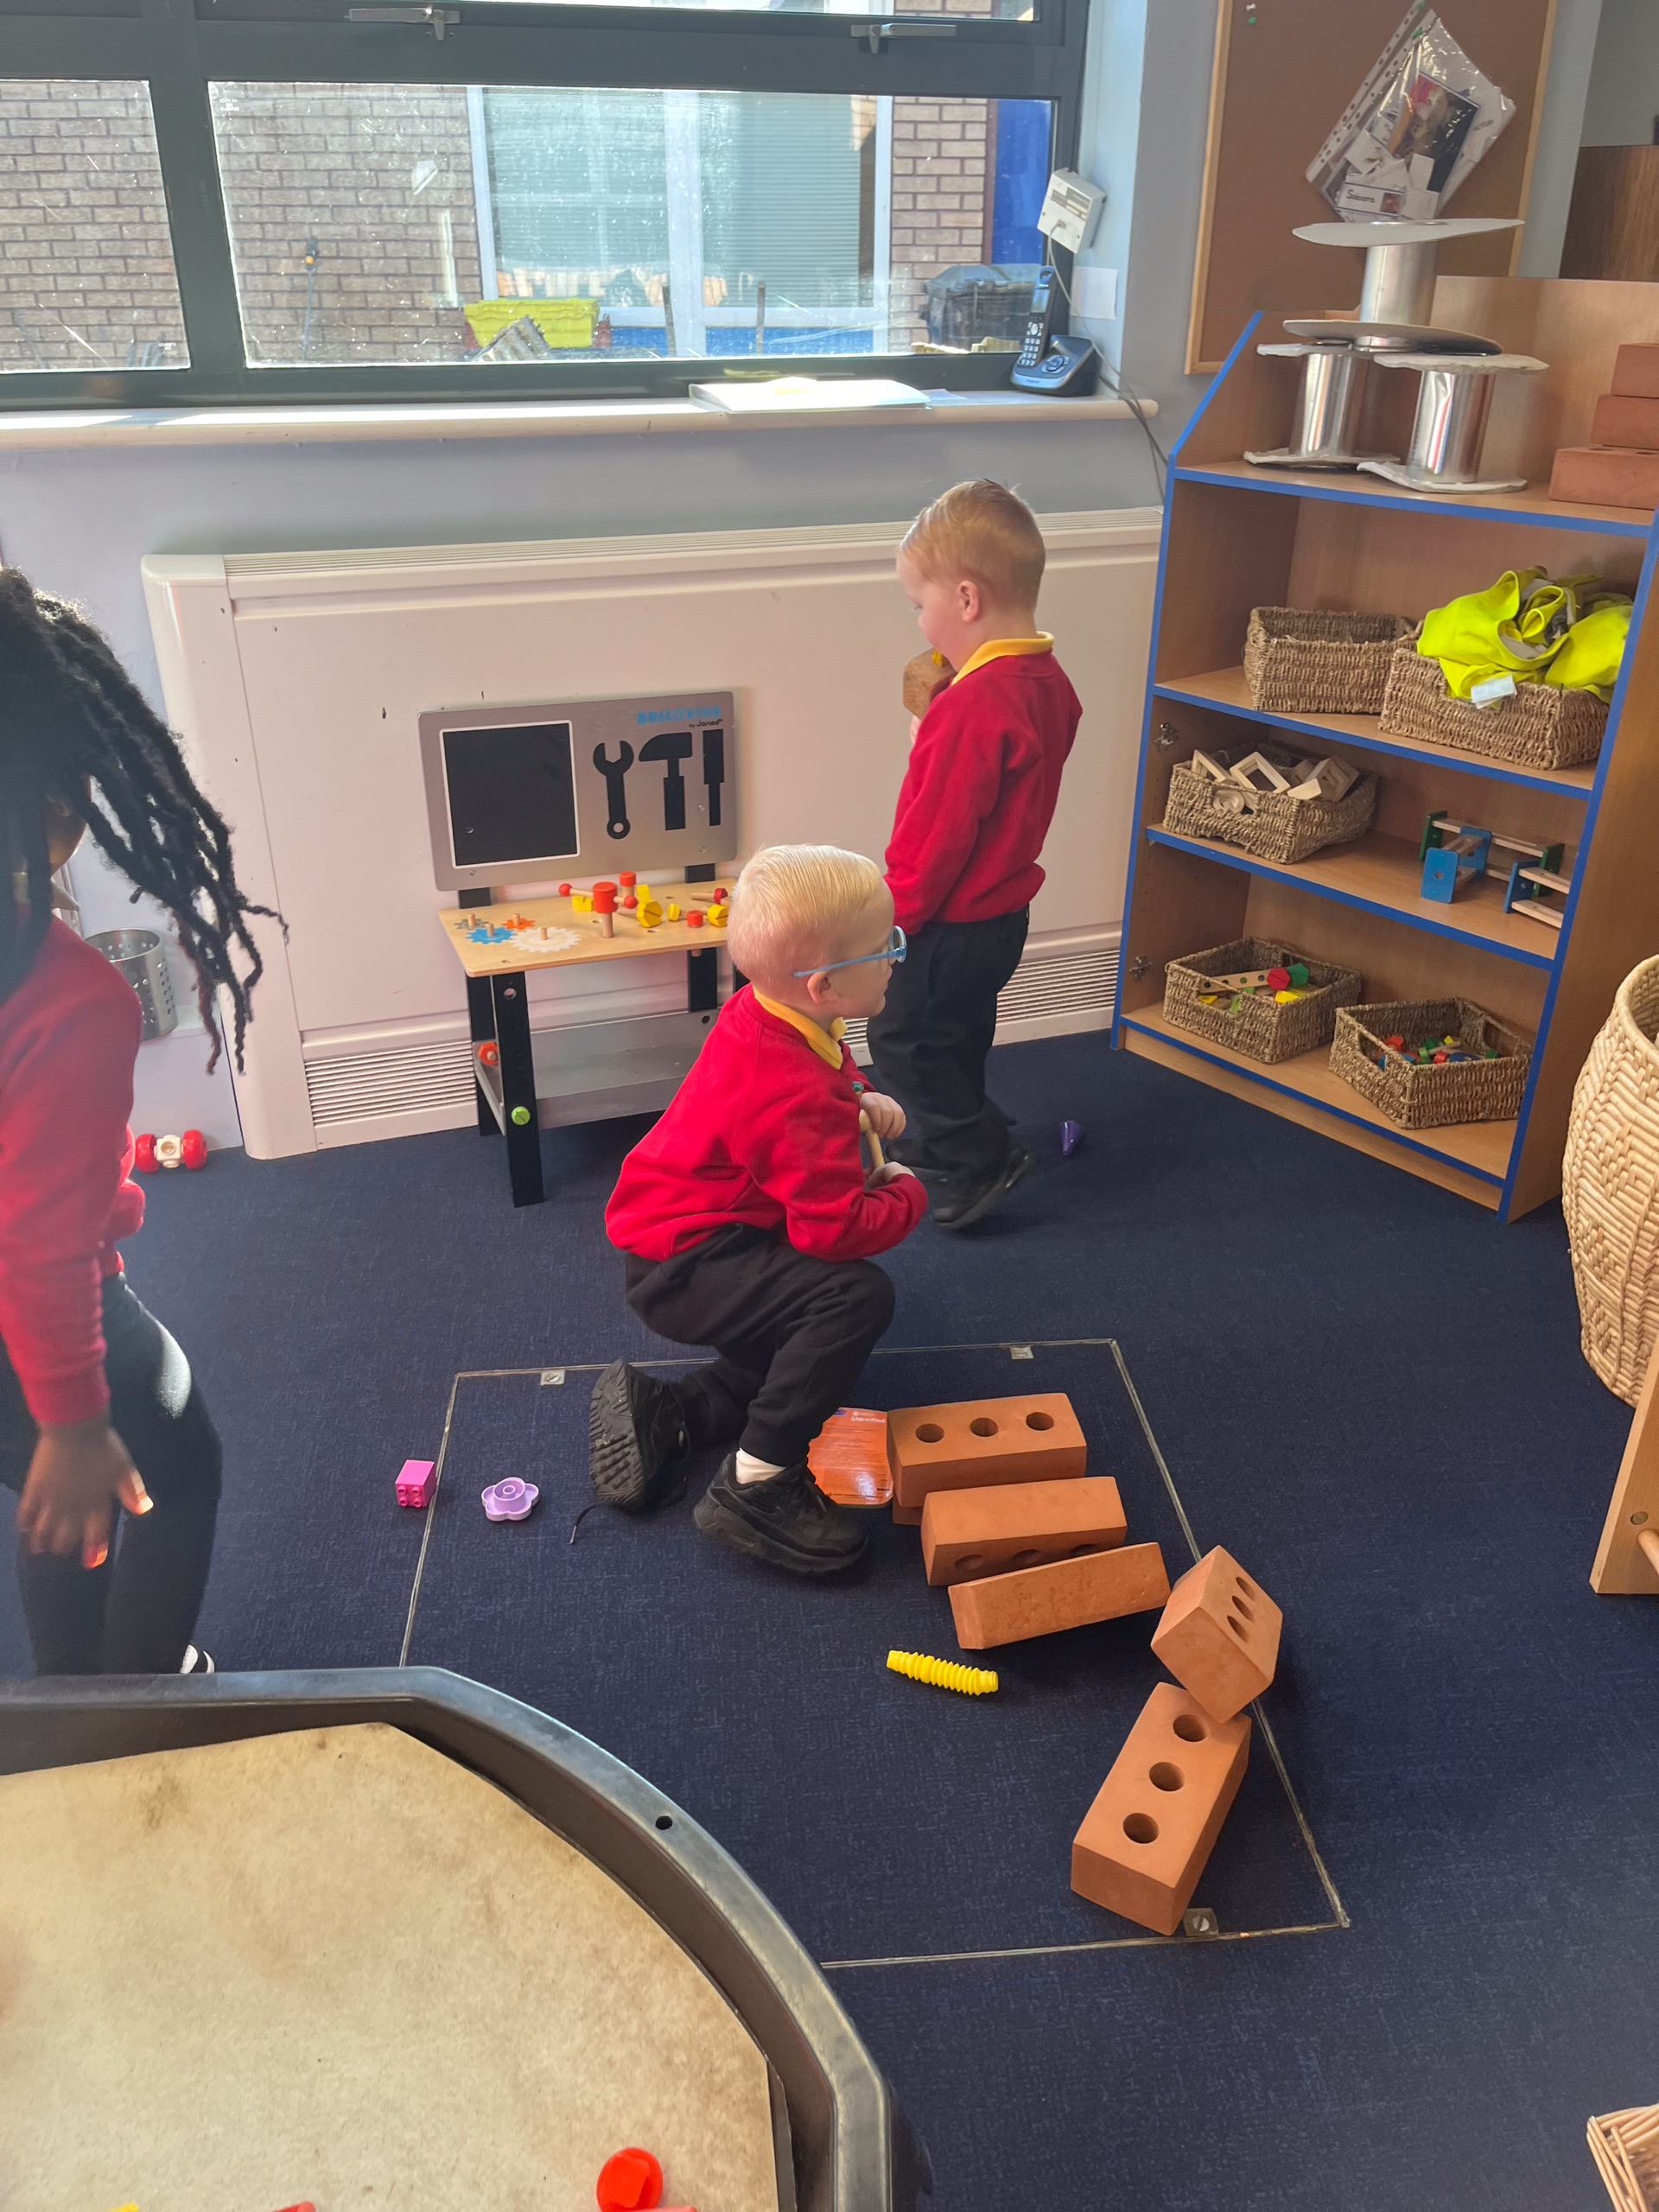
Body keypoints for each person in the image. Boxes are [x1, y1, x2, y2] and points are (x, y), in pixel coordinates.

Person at [0, 569, 272, 1674]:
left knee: (59, 1500)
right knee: (172, 1463)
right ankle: (143, 1705)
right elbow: (38, 1244)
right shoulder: (68, 1001)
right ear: (61, 817)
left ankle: (72, 1696)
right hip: (36, 1313)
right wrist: (72, 1417)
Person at [592, 845, 925, 1576]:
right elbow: (834, 1230)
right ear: (827, 985)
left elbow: (826, 1064)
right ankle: (758, 1483)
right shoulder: (790, 1091)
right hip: (687, 1266)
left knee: (796, 1318)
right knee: (852, 1298)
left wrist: (857, 1095)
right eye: (886, 947)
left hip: (695, 1235)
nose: (896, 959)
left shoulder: (771, 1009)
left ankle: (682, 1415)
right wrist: (905, 1192)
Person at [869, 479, 1083, 1230]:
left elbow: (935, 835)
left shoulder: (971, 706)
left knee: (901, 1040)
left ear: (965, 599)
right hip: (1003, 913)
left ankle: (977, 1155)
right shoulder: (1046, 682)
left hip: (946, 919)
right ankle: (952, 1131)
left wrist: (892, 918)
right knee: (956, 1031)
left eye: (918, 605)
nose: (919, 623)